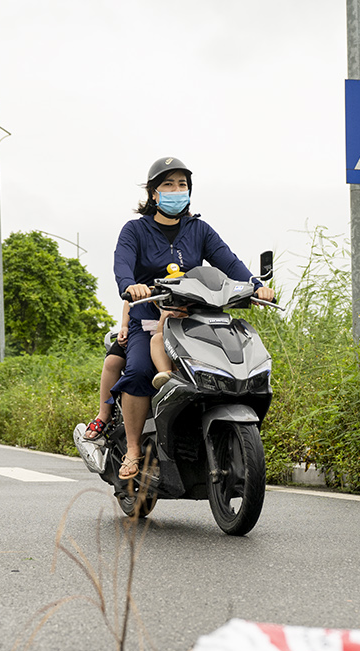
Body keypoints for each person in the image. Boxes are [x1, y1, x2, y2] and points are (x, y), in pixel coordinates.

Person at [111, 156, 275, 480]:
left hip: (194, 318)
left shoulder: (199, 229)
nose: (176, 190)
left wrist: (256, 287)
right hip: (149, 318)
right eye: (168, 184)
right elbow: (122, 267)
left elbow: (229, 262)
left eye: (182, 184)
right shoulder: (135, 231)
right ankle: (132, 449)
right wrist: (131, 286)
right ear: (154, 194)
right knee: (141, 370)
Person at [83, 299, 129, 440]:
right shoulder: (145, 279)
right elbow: (130, 299)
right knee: (112, 361)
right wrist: (124, 326)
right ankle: (104, 414)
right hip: (142, 326)